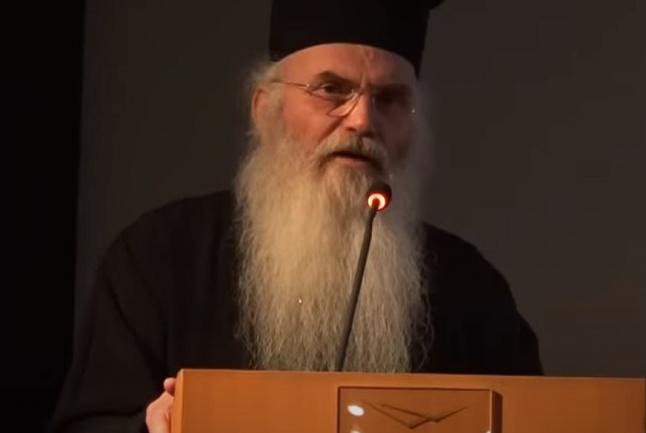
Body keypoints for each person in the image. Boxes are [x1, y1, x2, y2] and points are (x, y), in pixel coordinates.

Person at [51, 0, 543, 432]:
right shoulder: (160, 258)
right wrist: (151, 427)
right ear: (265, 110)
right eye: (331, 89)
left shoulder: (469, 288)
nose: (362, 120)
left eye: (390, 99)